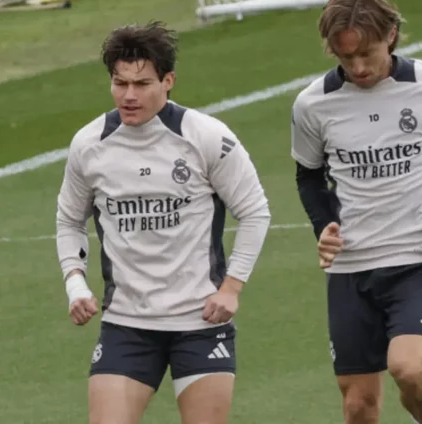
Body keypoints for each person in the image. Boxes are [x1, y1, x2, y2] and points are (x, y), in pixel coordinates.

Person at [55, 21, 271, 424]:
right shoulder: (90, 144)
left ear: (168, 81)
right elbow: (69, 219)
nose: (129, 95)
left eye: (142, 84)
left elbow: (255, 211)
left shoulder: (205, 137)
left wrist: (231, 287)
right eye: (120, 83)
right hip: (127, 324)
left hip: (200, 322)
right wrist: (75, 283)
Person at [290, 0, 422, 423]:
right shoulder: (312, 104)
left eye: (367, 53)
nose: (357, 67)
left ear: (390, 35)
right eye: (346, 56)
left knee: (409, 370)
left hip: (416, 258)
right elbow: (308, 176)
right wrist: (324, 225)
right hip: (351, 268)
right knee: (359, 405)